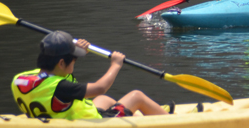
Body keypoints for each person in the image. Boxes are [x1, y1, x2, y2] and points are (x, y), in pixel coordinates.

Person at [11, 30, 168, 120]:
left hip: (59, 117)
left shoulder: (20, 79)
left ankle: (134, 118)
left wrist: (77, 51)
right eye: (73, 60)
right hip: (93, 126)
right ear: (61, 63)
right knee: (136, 96)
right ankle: (173, 122)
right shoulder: (61, 88)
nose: (74, 62)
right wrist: (116, 64)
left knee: (102, 101)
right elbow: (100, 87)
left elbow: (56, 79)